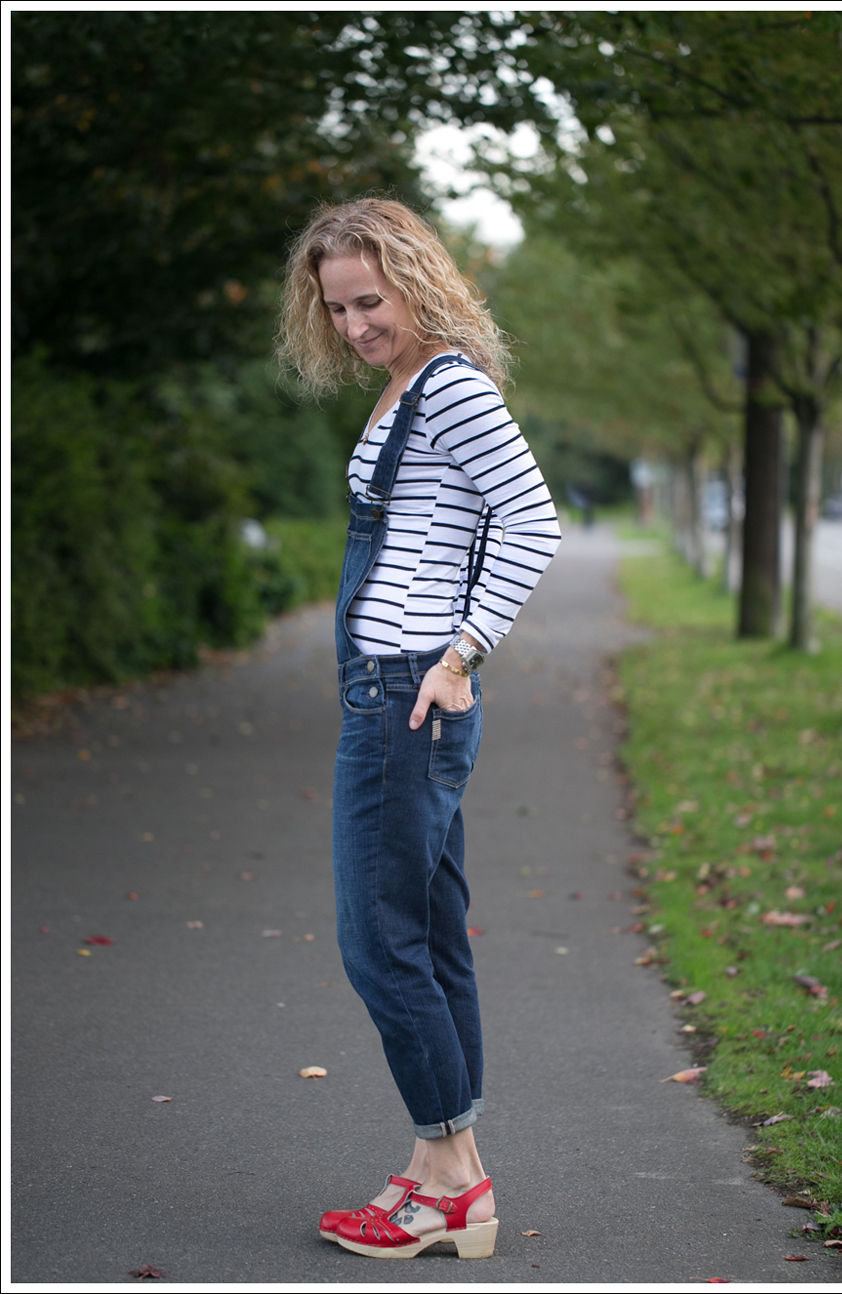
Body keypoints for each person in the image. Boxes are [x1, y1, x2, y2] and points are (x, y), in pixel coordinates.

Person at [278, 197, 561, 1260]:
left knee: (380, 941)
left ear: (414, 279)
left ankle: (445, 1173)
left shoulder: (448, 389)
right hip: (388, 692)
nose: (354, 324)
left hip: (407, 698)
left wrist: (458, 656)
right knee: (428, 939)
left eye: (369, 300)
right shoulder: (409, 389)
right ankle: (453, 1172)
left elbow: (530, 518)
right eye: (337, 307)